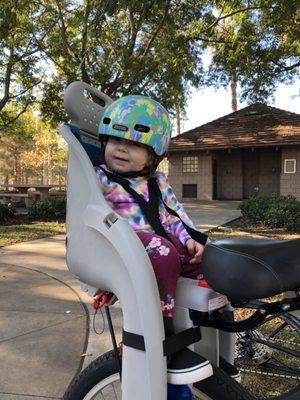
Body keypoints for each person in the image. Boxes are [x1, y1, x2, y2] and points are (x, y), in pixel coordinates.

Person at [95, 95, 210, 385]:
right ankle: (162, 333)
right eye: (114, 140)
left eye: (134, 144)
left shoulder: (158, 182)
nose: (121, 147)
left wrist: (189, 241)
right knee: (162, 252)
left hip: (163, 249)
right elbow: (86, 214)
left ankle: (211, 316)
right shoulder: (99, 178)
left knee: (206, 254)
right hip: (125, 249)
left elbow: (175, 216)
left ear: (153, 155)